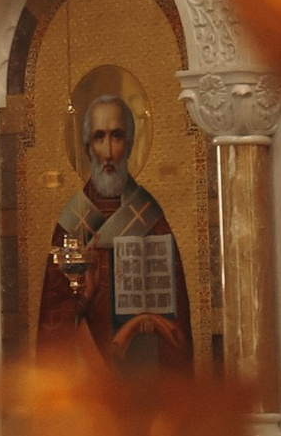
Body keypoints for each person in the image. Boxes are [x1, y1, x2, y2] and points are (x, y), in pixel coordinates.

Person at [37, 93, 191, 369]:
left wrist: (148, 320)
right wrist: (84, 298)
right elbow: (54, 326)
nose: (108, 152)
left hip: (141, 370)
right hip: (87, 374)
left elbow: (176, 327)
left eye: (116, 136)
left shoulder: (149, 216)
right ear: (87, 147)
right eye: (99, 137)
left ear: (130, 144)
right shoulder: (72, 223)